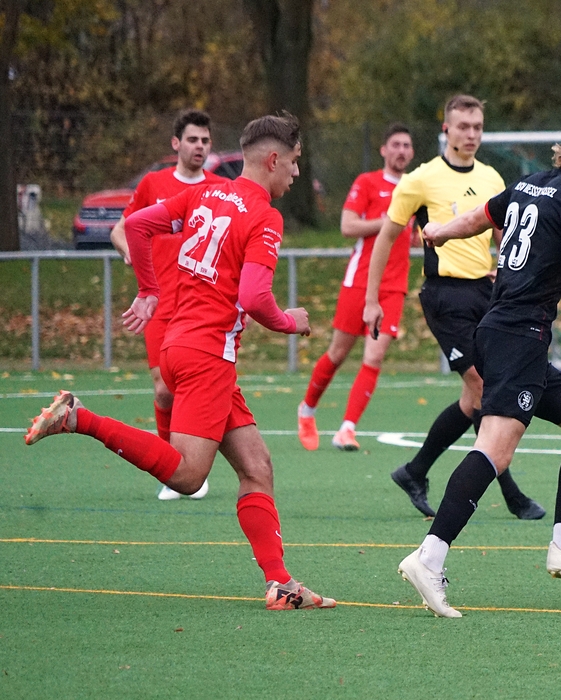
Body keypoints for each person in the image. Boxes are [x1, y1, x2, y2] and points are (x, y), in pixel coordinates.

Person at [25, 112, 336, 611]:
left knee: (257, 466)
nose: (297, 173)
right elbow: (255, 298)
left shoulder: (205, 194)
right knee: (189, 477)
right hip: (207, 358)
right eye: (295, 162)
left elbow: (136, 226)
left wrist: (150, 289)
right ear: (274, 159)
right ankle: (80, 418)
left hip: (178, 345)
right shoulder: (264, 217)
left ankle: (281, 584)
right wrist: (289, 322)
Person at [385, 112, 561, 618]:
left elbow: (478, 218)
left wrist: (440, 232)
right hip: (518, 337)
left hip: (509, 335)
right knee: (494, 450)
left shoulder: (531, 183)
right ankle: (429, 557)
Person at [363, 95, 544, 521]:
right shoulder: (421, 180)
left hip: (486, 294)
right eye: (463, 126)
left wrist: (505, 271)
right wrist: (372, 300)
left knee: (472, 397)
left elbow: (504, 235)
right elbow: (385, 238)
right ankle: (512, 494)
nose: (471, 134)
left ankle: (414, 471)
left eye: (477, 126)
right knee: (482, 387)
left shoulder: (491, 177)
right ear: (446, 130)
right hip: (444, 296)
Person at [110, 109, 227, 500]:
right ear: (176, 143)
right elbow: (121, 229)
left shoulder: (219, 189)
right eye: (192, 139)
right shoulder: (153, 183)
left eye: (205, 140)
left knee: (196, 388)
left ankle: (191, 465)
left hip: (203, 304)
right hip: (160, 303)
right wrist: (132, 252)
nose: (199, 146)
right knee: (163, 391)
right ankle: (173, 469)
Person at [296, 124, 416, 451]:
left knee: (375, 356)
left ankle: (346, 429)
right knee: (338, 353)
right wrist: (389, 222)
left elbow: (416, 234)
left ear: (412, 152)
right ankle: (306, 410)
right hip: (360, 282)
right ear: (384, 150)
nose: (401, 150)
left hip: (394, 286)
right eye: (395, 145)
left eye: (406, 145)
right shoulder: (367, 182)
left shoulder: (415, 188)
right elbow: (347, 226)